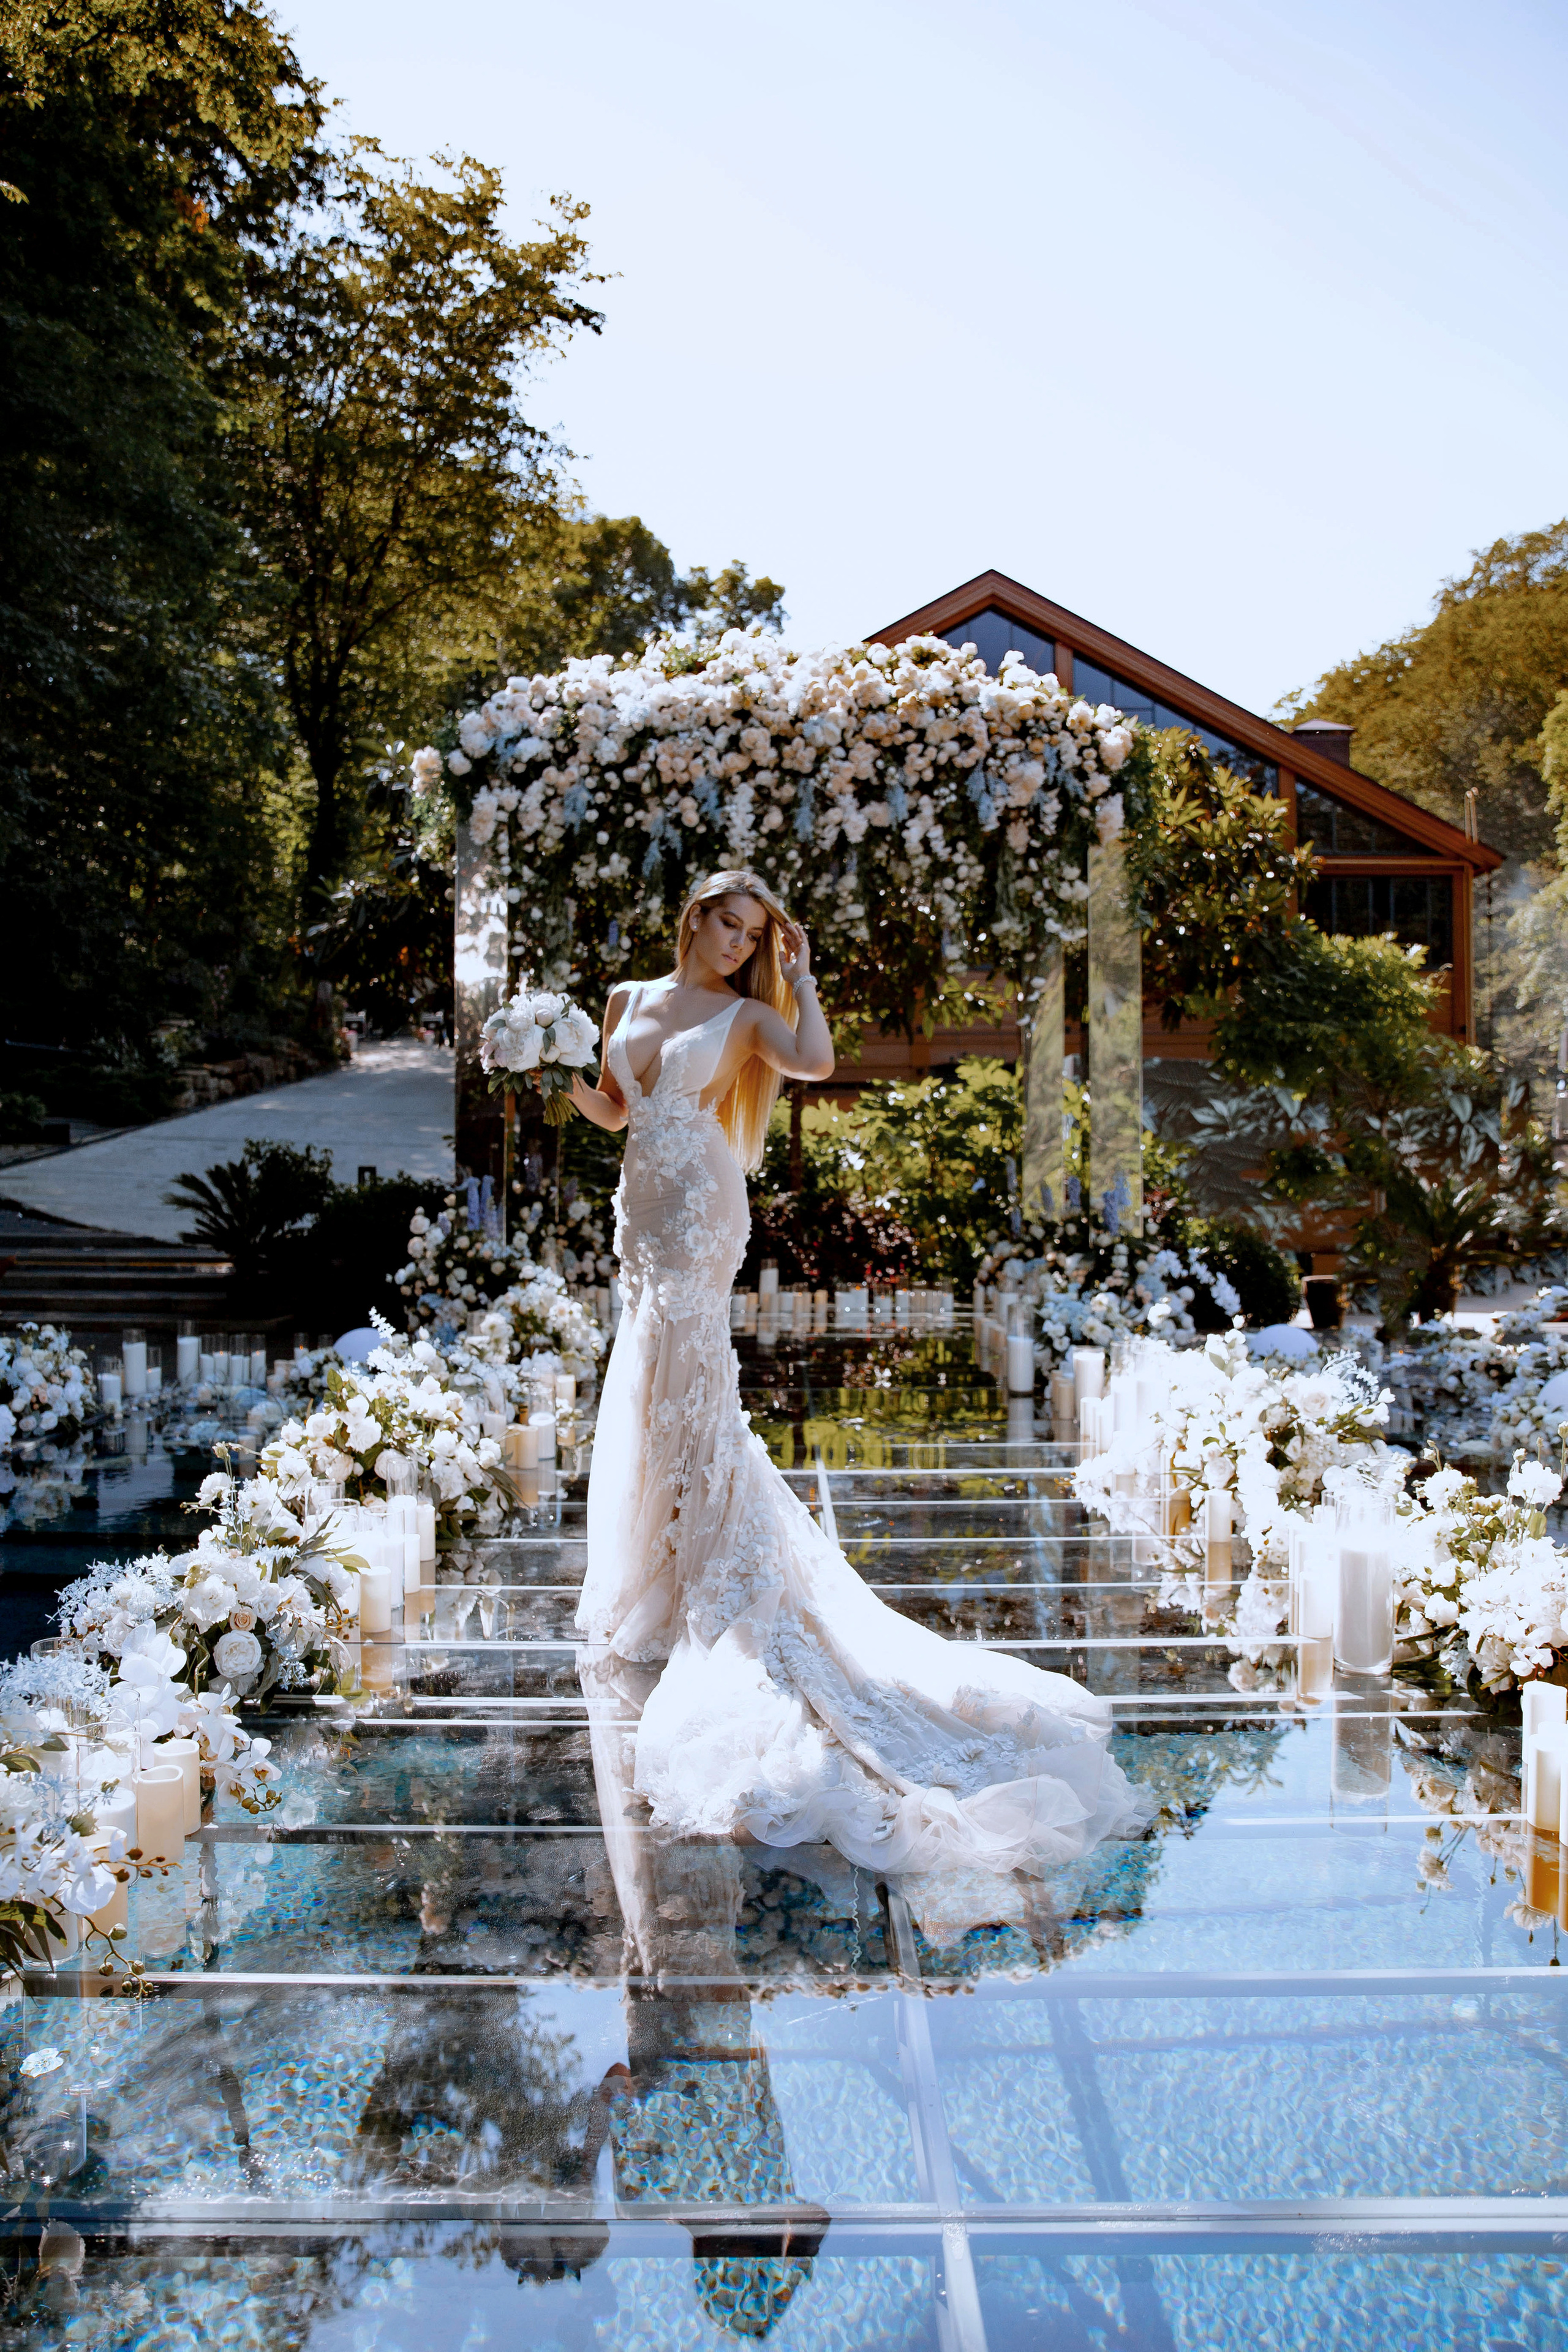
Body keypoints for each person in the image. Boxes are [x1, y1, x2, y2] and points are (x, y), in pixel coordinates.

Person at [569, 867, 1149, 1880]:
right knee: (650, 1374)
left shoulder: (753, 1015)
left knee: (692, 1373)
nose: (735, 944)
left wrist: (803, 975)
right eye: (727, 926)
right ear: (694, 918)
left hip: (702, 1208)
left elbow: (817, 1059)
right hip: (641, 1205)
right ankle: (657, 1562)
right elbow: (614, 1113)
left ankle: (709, 1564)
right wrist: (543, 1070)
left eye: (752, 936)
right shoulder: (625, 1000)